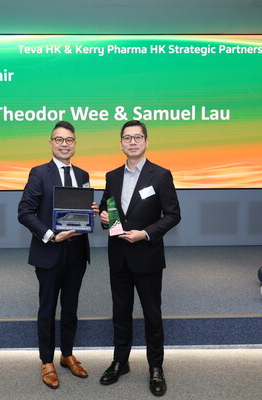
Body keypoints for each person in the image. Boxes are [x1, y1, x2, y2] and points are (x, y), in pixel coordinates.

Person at [98, 120, 181, 396]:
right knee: (120, 313)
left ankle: (156, 367)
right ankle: (120, 362)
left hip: (147, 256)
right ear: (120, 143)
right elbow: (107, 209)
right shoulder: (112, 176)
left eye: (137, 137)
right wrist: (103, 217)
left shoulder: (161, 175)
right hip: (119, 256)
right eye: (127, 138)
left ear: (146, 141)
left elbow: (173, 215)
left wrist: (145, 233)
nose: (132, 142)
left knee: (152, 314)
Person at [18, 121, 96, 390]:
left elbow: (81, 210)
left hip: (77, 252)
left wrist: (91, 212)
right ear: (51, 143)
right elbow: (24, 212)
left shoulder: (83, 174)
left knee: (71, 308)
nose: (64, 144)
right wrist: (51, 235)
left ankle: (67, 354)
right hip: (49, 252)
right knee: (48, 308)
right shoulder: (39, 173)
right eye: (59, 139)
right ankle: (46, 361)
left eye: (69, 140)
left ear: (75, 143)